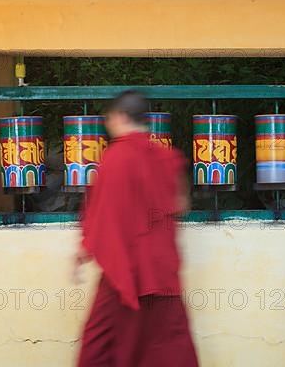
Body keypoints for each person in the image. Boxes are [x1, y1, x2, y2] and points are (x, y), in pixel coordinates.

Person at [74, 91, 198, 367]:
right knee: (167, 347)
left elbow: (104, 212)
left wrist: (86, 247)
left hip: (126, 272)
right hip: (163, 270)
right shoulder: (168, 158)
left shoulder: (116, 157)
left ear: (119, 117)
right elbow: (181, 203)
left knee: (100, 348)